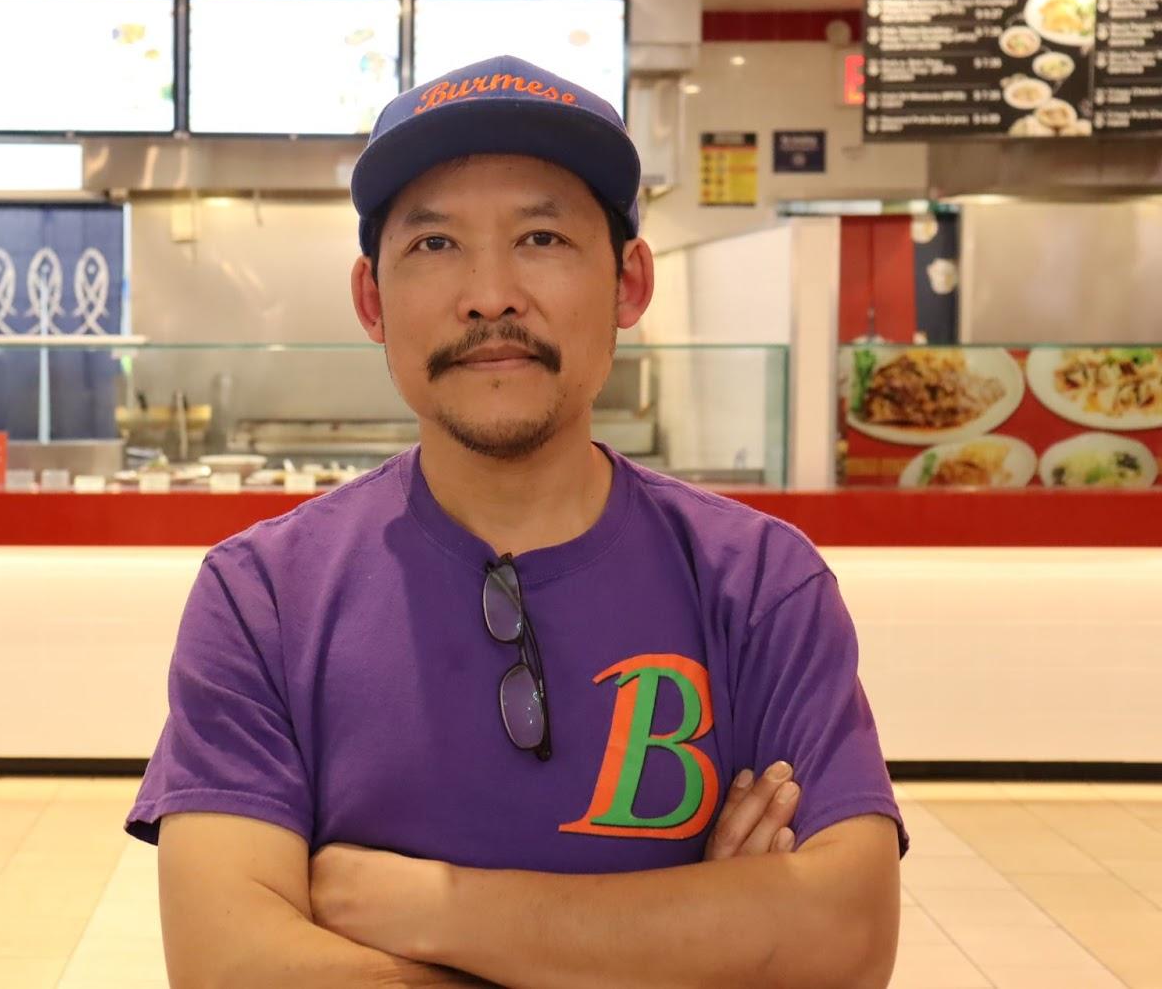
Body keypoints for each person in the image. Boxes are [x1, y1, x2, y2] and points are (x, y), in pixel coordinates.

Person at [127, 55, 907, 988]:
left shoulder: (760, 583)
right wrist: (696, 940)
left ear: (628, 283)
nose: (490, 294)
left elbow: (847, 938)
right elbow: (229, 964)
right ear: (372, 300)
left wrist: (434, 911)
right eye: (435, 244)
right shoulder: (263, 598)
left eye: (542, 237)